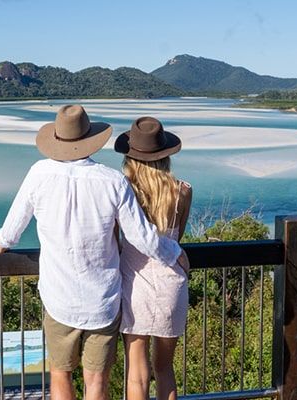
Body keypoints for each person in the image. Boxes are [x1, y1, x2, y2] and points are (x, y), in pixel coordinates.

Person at [0, 105, 189, 400]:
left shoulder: (38, 173)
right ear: (90, 138)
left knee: (60, 375)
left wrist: (0, 244)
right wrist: (174, 253)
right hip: (103, 300)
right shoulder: (112, 181)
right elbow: (141, 238)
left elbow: (12, 228)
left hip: (58, 297)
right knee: (96, 381)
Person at [113, 116, 191, 400]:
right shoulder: (182, 191)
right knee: (165, 368)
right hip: (172, 284)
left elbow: (117, 237)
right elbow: (175, 240)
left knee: (137, 372)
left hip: (135, 286)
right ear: (166, 155)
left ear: (131, 158)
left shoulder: (125, 191)